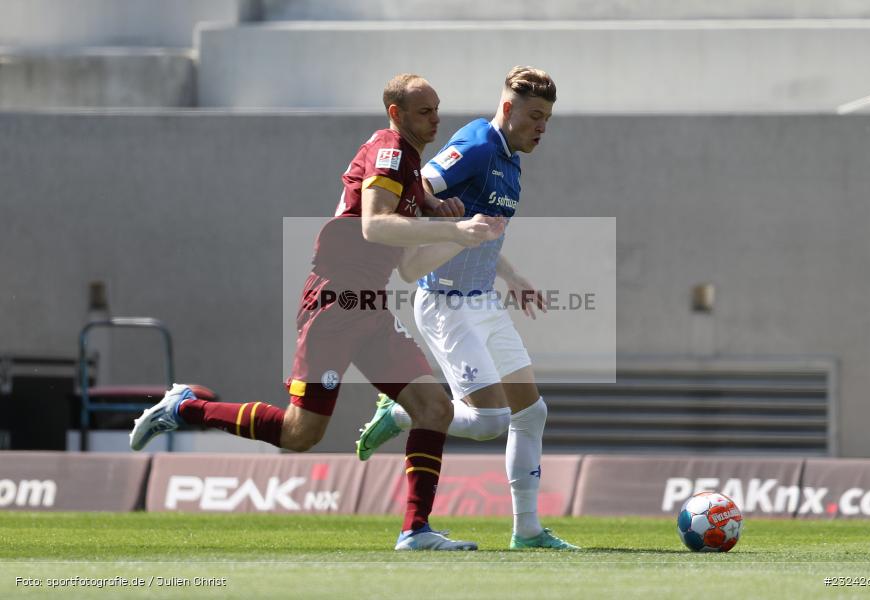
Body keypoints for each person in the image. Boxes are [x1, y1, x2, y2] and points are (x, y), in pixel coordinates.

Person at [130, 73, 503, 551]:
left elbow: (408, 267)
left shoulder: (408, 167)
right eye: (425, 111)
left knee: (434, 408)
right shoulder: (389, 150)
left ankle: (416, 530)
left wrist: (455, 229)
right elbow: (374, 226)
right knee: (299, 433)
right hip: (333, 304)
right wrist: (449, 228)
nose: (435, 119)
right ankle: (187, 407)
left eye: (436, 108)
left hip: (368, 306)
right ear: (397, 113)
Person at [356, 66, 578, 550]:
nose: (542, 126)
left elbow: (485, 227)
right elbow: (422, 187)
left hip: (483, 300)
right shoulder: (477, 144)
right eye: (535, 116)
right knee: (491, 422)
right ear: (507, 109)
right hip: (445, 302)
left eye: (548, 119)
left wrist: (511, 274)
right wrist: (439, 223)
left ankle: (528, 532)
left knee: (531, 412)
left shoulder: (512, 159)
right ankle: (401, 411)